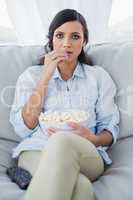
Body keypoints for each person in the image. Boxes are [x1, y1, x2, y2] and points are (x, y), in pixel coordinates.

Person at [10, 8, 120, 200]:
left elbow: (110, 129)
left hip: (86, 152)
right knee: (82, 189)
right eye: (60, 36)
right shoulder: (31, 76)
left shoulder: (98, 77)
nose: (66, 43)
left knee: (61, 140)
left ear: (84, 41)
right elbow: (24, 126)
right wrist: (45, 77)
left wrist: (92, 139)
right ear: (51, 39)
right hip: (36, 150)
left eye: (75, 36)